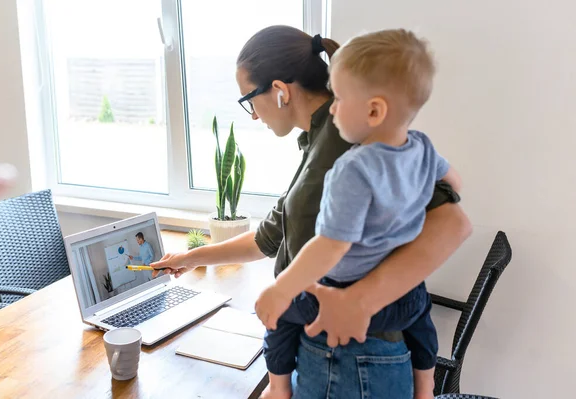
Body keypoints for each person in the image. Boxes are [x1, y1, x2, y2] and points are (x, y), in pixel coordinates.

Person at [152, 26, 471, 399]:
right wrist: (191, 258)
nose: (253, 116)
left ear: (280, 91)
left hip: (350, 356)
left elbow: (453, 222)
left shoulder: (350, 147)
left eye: (249, 101)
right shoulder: (319, 142)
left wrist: (356, 300)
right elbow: (270, 237)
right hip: (344, 353)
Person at [254, 29, 460, 399]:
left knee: (282, 314)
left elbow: (330, 246)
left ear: (374, 110)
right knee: (422, 313)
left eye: (340, 99)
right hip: (402, 301)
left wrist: (279, 290)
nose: (332, 108)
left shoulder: (352, 168)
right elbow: (455, 184)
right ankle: (426, 386)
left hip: (343, 303)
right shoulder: (422, 147)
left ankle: (276, 390)